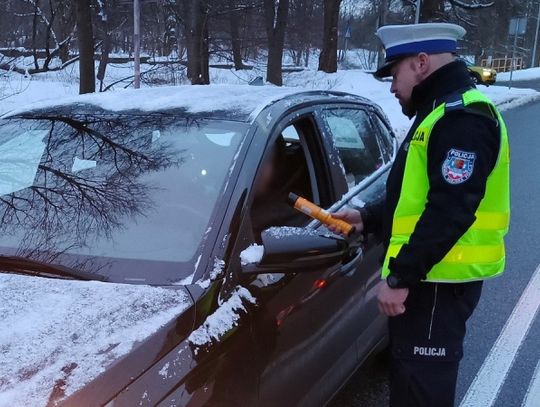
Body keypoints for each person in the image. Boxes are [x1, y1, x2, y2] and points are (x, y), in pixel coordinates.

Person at [331, 23, 510, 407]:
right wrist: (370, 217)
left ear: (422, 63)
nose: (393, 87)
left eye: (394, 74)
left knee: (420, 394)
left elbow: (450, 210)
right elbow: (420, 197)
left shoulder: (463, 119)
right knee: (411, 384)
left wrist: (401, 276)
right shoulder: (439, 112)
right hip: (432, 282)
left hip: (436, 286)